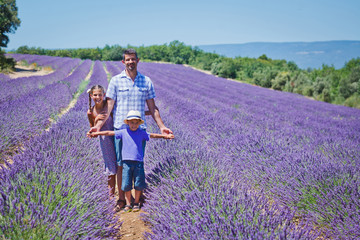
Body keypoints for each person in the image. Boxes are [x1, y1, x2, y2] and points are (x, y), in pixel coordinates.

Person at [88, 48, 173, 211]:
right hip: (121, 129)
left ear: (137, 60)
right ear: (123, 62)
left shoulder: (146, 81)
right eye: (127, 60)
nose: (130, 62)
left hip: (140, 129)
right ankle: (122, 199)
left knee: (138, 163)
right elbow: (108, 109)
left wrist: (162, 127)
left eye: (133, 59)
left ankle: (136, 198)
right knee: (121, 165)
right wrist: (97, 126)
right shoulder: (115, 81)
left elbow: (153, 108)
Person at [88, 110, 174, 212]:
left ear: (139, 123)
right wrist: (97, 132)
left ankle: (136, 203)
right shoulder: (124, 132)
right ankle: (128, 204)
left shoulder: (141, 133)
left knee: (138, 184)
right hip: (126, 164)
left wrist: (165, 136)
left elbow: (153, 135)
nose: (134, 125)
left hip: (138, 163)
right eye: (132, 122)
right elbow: (109, 132)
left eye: (136, 122)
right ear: (128, 123)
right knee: (126, 184)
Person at [86, 85, 117, 197]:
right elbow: (93, 130)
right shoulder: (90, 112)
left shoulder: (109, 106)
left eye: (100, 94)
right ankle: (111, 197)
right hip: (105, 142)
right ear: (91, 95)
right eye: (95, 95)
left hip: (116, 136)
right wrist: (93, 128)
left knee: (121, 165)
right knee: (110, 168)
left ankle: (124, 196)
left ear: (104, 95)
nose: (97, 97)